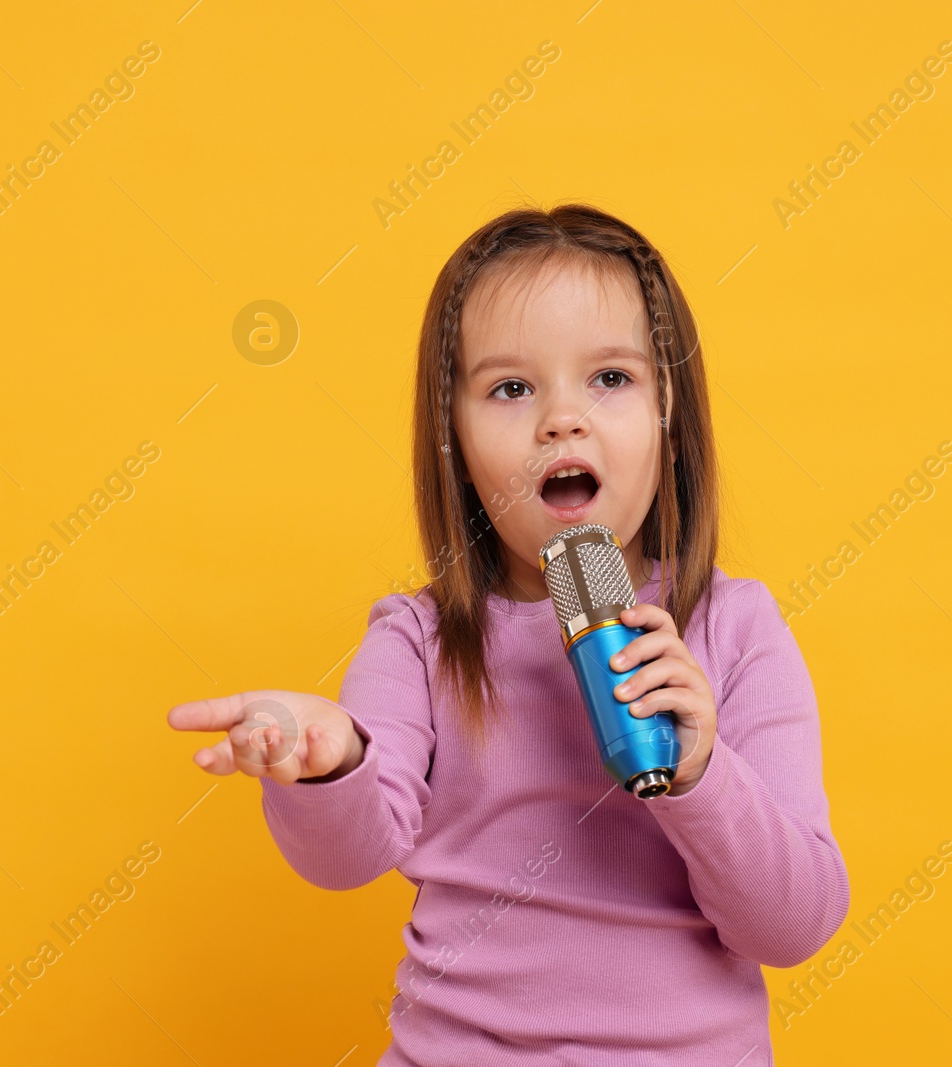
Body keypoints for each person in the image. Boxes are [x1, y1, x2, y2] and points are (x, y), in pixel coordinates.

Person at [168, 203, 849, 1065]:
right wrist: (328, 759)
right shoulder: (419, 641)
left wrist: (703, 773)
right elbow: (349, 854)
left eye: (610, 378)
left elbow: (794, 925)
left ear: (668, 405)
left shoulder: (736, 630)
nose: (562, 419)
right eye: (511, 388)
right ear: (452, 434)